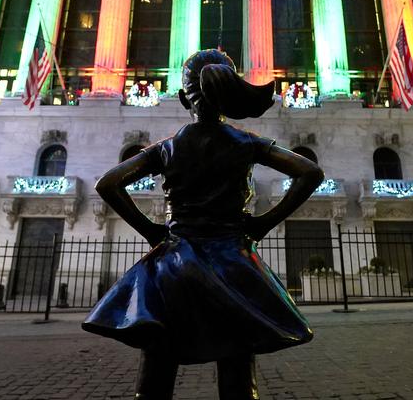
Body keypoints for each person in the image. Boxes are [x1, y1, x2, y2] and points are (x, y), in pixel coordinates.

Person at [83, 49, 325, 399]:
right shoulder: (246, 143)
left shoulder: (166, 148)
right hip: (234, 265)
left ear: (184, 98)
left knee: (157, 373)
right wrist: (264, 223)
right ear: (228, 92)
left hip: (172, 266)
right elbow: (310, 172)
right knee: (238, 376)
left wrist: (151, 232)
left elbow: (108, 183)